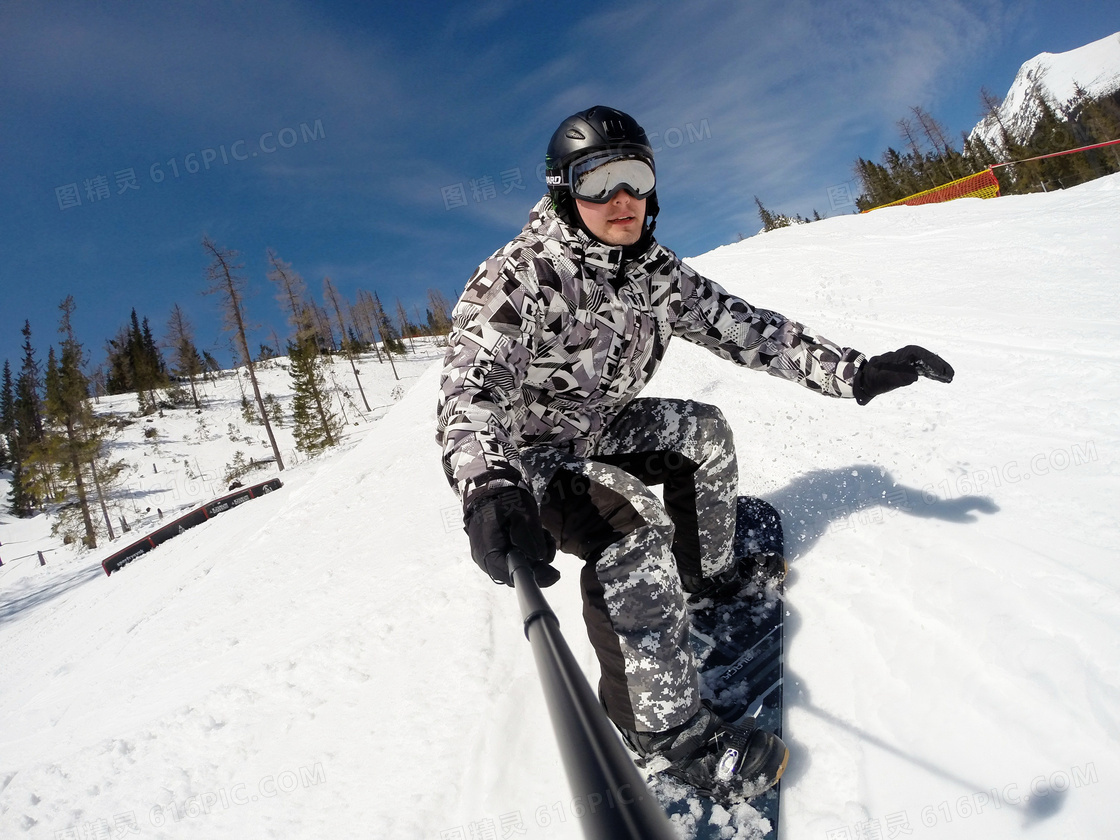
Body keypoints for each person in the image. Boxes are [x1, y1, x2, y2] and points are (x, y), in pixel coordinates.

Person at [436, 106, 953, 798]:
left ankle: (702, 577)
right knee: (630, 533)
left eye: (635, 177)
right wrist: (491, 486)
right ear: (565, 192)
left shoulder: (655, 274)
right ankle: (669, 739)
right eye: (598, 181)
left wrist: (854, 371)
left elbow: (750, 331)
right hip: (529, 459)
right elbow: (470, 389)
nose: (621, 199)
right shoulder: (522, 277)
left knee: (701, 433)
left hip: (595, 426)